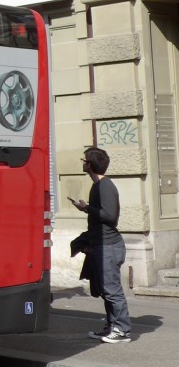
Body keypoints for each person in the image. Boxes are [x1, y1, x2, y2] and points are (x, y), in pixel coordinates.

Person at [71, 146, 131, 343]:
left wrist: (86, 208)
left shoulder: (105, 186)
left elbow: (110, 216)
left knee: (112, 291)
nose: (82, 162)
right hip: (101, 245)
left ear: (89, 164)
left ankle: (122, 330)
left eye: (84, 160)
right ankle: (111, 326)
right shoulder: (97, 185)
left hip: (109, 247)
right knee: (105, 290)